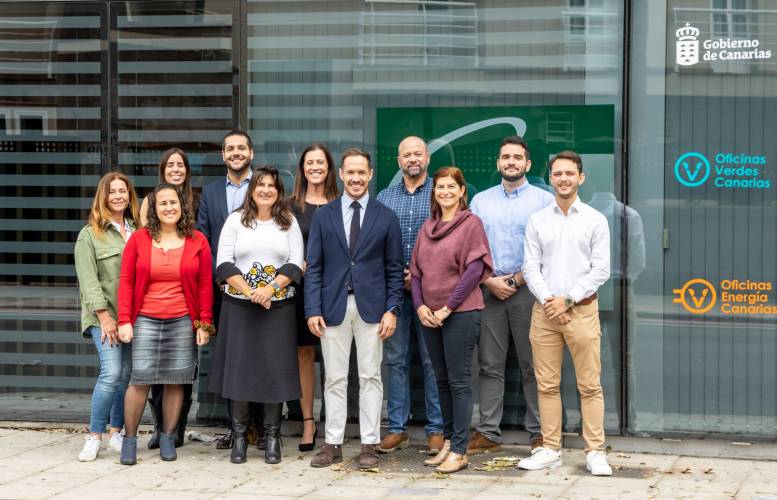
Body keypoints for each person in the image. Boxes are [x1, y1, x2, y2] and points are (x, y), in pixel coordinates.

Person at [305, 148, 404, 470]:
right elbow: (314, 267)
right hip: (332, 307)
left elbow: (394, 269)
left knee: (371, 376)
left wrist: (392, 309)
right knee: (334, 378)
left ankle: (368, 444)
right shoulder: (324, 215)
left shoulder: (386, 216)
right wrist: (312, 309)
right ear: (341, 175)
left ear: (370, 175)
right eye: (351, 172)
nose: (356, 178)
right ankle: (332, 443)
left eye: (362, 172)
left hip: (373, 309)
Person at [518, 151, 612, 476]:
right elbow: (530, 267)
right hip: (545, 313)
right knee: (546, 385)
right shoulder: (537, 220)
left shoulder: (595, 220)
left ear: (580, 178)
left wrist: (568, 300)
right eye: (557, 173)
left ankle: (595, 452)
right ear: (551, 178)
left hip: (581, 311)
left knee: (590, 385)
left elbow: (601, 270)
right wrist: (550, 301)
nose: (563, 178)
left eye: (569, 173)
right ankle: (550, 449)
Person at [208, 166, 304, 465]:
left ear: (279, 191)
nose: (265, 190)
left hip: (278, 309)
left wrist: (269, 290)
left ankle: (272, 436)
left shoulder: (288, 222)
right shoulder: (235, 220)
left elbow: (295, 263)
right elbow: (223, 263)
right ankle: (240, 437)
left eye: (271, 186)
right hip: (239, 307)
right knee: (240, 370)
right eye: (260, 185)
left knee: (274, 371)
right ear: (252, 190)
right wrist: (251, 292)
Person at [117, 184, 214, 466]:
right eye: (163, 203)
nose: (169, 207)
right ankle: (130, 440)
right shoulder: (139, 239)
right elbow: (126, 282)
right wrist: (124, 320)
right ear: (154, 209)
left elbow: (205, 285)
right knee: (140, 380)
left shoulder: (197, 240)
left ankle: (169, 437)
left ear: (182, 206)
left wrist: (204, 324)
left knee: (175, 380)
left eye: (174, 202)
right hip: (145, 319)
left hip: (183, 319)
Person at [468, 137, 553, 454]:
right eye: (506, 157)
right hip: (489, 291)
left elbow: (548, 251)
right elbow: (471, 248)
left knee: (534, 365)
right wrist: (489, 280)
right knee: (489, 365)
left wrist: (517, 280)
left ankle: (541, 432)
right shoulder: (481, 202)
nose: (511, 162)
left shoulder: (544, 200)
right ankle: (488, 432)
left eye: (517, 157)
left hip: (529, 291)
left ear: (527, 164)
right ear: (498, 163)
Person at [410, 166, 493, 474]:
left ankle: (460, 449)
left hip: (460, 313)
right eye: (440, 187)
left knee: (458, 381)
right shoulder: (427, 226)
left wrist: (447, 307)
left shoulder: (471, 224)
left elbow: (474, 271)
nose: (445, 191)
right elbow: (415, 272)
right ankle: (448, 442)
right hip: (429, 315)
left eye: (450, 186)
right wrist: (420, 306)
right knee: (441, 380)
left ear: (462, 191)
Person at [376, 136, 443, 455]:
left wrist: (417, 274)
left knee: (432, 361)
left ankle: (436, 429)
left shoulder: (440, 193)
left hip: (431, 290)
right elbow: (376, 244)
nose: (412, 159)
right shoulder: (384, 197)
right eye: (407, 155)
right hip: (393, 291)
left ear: (427, 157)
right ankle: (397, 428)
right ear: (398, 160)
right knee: (395, 360)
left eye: (418, 154)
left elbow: (448, 242)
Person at [197, 130, 263, 449]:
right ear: (223, 155)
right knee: (231, 359)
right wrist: (222, 277)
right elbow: (204, 239)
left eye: (241, 148)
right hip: (223, 290)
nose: (236, 153)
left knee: (260, 355)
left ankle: (262, 429)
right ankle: (237, 429)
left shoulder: (264, 187)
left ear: (251, 153)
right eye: (230, 149)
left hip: (261, 290)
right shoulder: (210, 192)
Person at [74, 172, 139, 462]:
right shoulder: (89, 235)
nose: (118, 196)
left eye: (122, 191)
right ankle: (94, 436)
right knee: (111, 373)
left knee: (125, 376)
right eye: (112, 191)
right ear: (103, 196)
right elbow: (88, 281)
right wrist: (104, 317)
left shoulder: (138, 231)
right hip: (104, 317)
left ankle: (116, 433)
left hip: (132, 317)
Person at [140, 148, 198, 450]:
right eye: (170, 165)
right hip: (155, 299)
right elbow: (144, 242)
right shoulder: (150, 201)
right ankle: (159, 427)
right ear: (162, 170)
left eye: (180, 165)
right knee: (155, 371)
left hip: (187, 290)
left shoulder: (196, 200)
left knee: (182, 370)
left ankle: (177, 429)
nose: (176, 169)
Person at [288, 143, 340, 452]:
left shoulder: (342, 203)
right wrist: (297, 262)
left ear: (329, 167)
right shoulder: (290, 206)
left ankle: (334, 421)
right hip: (300, 289)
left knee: (334, 357)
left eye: (321, 162)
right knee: (304, 354)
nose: (315, 167)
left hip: (334, 290)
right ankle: (309, 422)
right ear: (303, 168)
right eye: (310, 162)